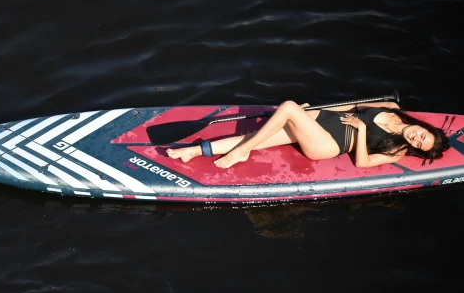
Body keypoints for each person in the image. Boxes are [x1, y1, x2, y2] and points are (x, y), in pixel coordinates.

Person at [166, 99, 450, 168]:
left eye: (418, 145)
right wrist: (313, 109)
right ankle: (196, 150)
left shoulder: (397, 150)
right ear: (426, 128)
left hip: (330, 142)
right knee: (263, 134)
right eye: (422, 136)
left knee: (287, 107)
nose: (415, 139)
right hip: (326, 118)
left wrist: (362, 130)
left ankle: (241, 153)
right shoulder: (392, 106)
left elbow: (362, 162)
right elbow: (351, 106)